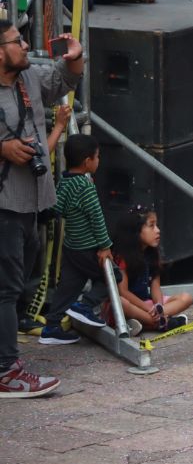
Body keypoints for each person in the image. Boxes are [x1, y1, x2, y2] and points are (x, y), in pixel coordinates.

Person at [0, 22, 82, 398]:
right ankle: (6, 371)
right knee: (6, 285)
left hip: (32, 199)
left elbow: (62, 80)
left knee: (17, 284)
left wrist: (75, 59)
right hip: (4, 201)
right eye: (17, 41)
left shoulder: (28, 78)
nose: (24, 46)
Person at [36, 134, 116, 345]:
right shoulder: (86, 187)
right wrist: (105, 246)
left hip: (71, 247)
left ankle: (51, 327)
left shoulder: (65, 182)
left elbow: (56, 208)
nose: (99, 161)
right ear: (87, 161)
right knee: (113, 277)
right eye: (97, 157)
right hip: (87, 248)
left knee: (68, 287)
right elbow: (97, 219)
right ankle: (85, 306)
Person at [112, 209, 192, 333]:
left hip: (147, 304)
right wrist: (147, 308)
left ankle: (147, 322)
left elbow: (155, 286)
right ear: (136, 231)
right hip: (131, 305)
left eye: (157, 225)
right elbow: (123, 292)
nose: (158, 230)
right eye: (151, 226)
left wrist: (158, 306)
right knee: (121, 302)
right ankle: (161, 323)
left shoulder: (152, 253)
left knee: (186, 298)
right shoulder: (123, 257)